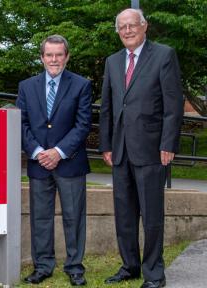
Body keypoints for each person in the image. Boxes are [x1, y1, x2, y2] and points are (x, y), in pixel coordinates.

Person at [99, 8, 183, 288]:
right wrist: (106, 145)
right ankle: (130, 266)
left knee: (151, 217)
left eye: (132, 25)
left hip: (151, 149)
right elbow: (108, 108)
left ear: (144, 26)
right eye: (121, 27)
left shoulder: (163, 55)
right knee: (124, 215)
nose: (127, 30)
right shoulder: (112, 62)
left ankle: (154, 274)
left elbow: (173, 104)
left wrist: (168, 143)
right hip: (120, 150)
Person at [16, 35, 92, 286]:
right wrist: (38, 152)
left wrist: (58, 152)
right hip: (38, 164)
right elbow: (21, 123)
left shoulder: (81, 85)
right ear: (42, 57)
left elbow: (82, 126)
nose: (54, 59)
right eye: (49, 55)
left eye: (59, 54)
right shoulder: (27, 86)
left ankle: (75, 267)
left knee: (74, 217)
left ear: (67, 56)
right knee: (40, 217)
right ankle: (43, 265)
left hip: (70, 163)